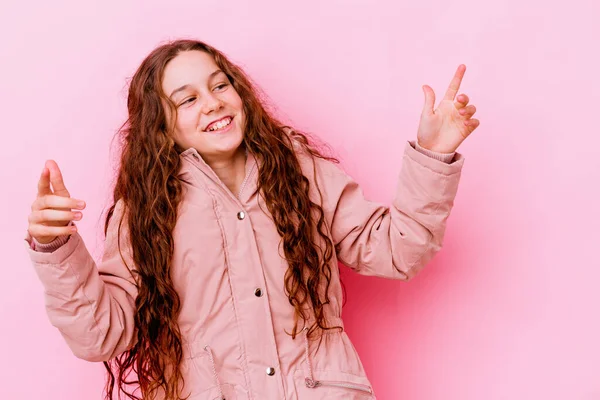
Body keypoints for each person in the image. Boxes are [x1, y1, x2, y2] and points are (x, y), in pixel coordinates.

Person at [24, 39, 479, 400]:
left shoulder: (301, 172)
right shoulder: (145, 212)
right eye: (187, 99)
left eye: (220, 86)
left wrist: (433, 155)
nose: (213, 103)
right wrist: (55, 247)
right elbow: (99, 336)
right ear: (160, 125)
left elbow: (399, 251)